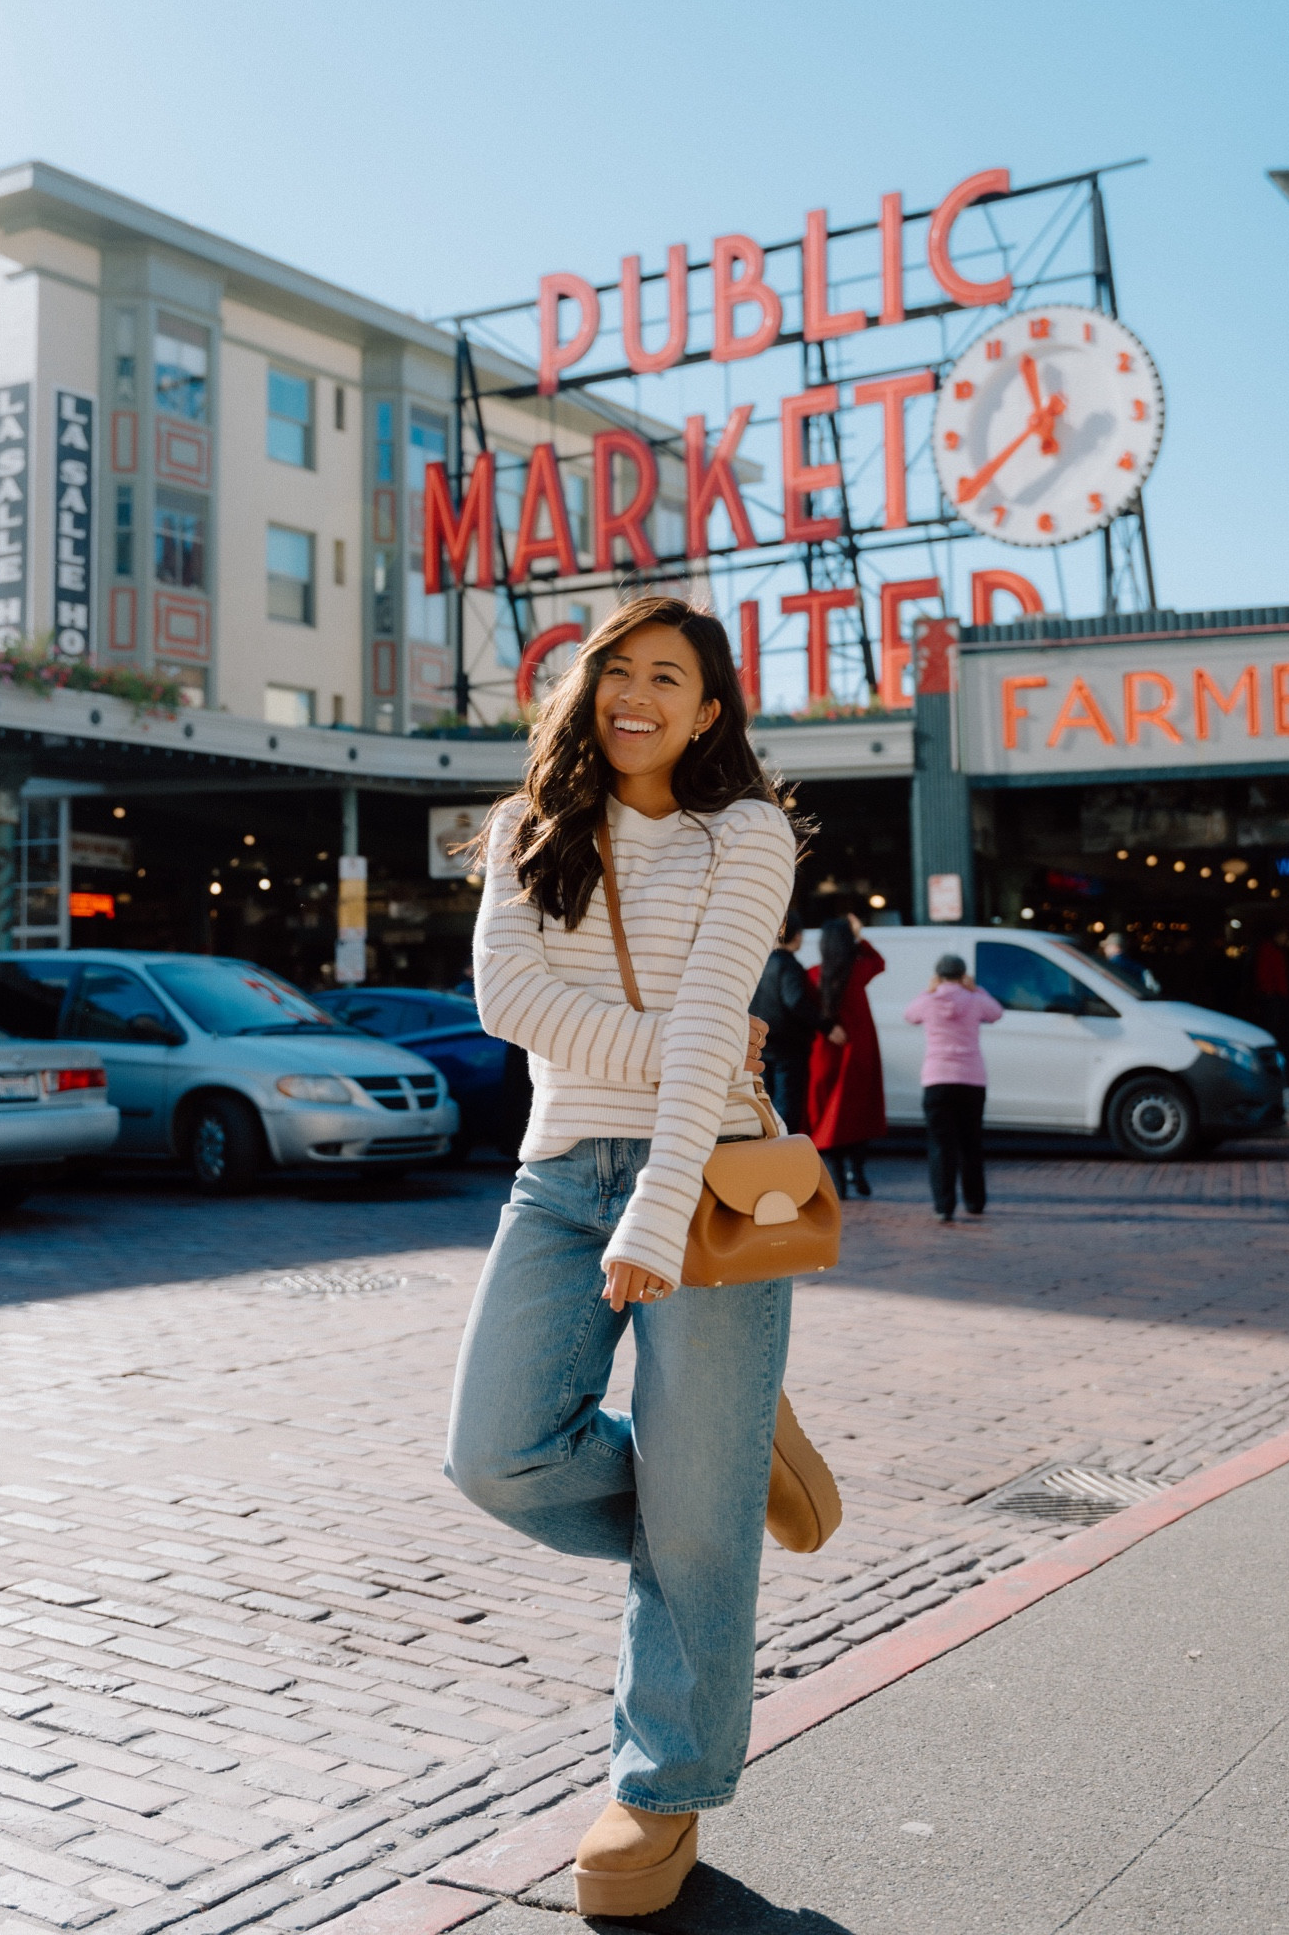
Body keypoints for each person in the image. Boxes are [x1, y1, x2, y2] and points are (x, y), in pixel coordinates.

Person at [445, 594, 839, 1920]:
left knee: (692, 1511)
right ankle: (717, 1488)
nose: (636, 694)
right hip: (558, 1178)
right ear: (584, 691)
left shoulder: (746, 833)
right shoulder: (525, 833)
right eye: (615, 670)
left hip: (709, 1182)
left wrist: (659, 1203)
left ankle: (659, 1789)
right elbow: (507, 1005)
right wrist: (676, 1046)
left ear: (709, 709)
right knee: (496, 1452)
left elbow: (716, 1025)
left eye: (667, 676)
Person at [904, 953, 1003, 1222]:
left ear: (938, 975)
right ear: (963, 975)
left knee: (940, 1145)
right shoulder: (975, 998)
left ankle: (944, 1205)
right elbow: (996, 1013)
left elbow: (909, 1015)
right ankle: (974, 1201)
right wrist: (976, 988)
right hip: (971, 1079)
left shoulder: (928, 1001)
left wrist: (929, 989)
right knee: (970, 1143)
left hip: (937, 1078)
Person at [806, 912, 887, 1197]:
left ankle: (838, 1179)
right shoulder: (858, 969)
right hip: (858, 1052)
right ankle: (858, 1170)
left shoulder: (813, 974)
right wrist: (859, 936)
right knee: (857, 1117)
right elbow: (879, 962)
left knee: (826, 1117)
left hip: (825, 1053)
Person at [751, 906, 820, 1133]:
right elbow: (796, 1001)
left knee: (764, 1101)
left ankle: (769, 1153)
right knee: (787, 1105)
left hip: (760, 1043)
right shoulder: (789, 965)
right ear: (797, 935)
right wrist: (824, 1025)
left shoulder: (759, 962)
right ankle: (785, 1153)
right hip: (788, 1047)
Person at [1099, 930, 1160, 996]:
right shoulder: (1138, 966)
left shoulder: (1111, 965)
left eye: (1107, 946)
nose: (1105, 950)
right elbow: (1154, 987)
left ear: (1115, 947)